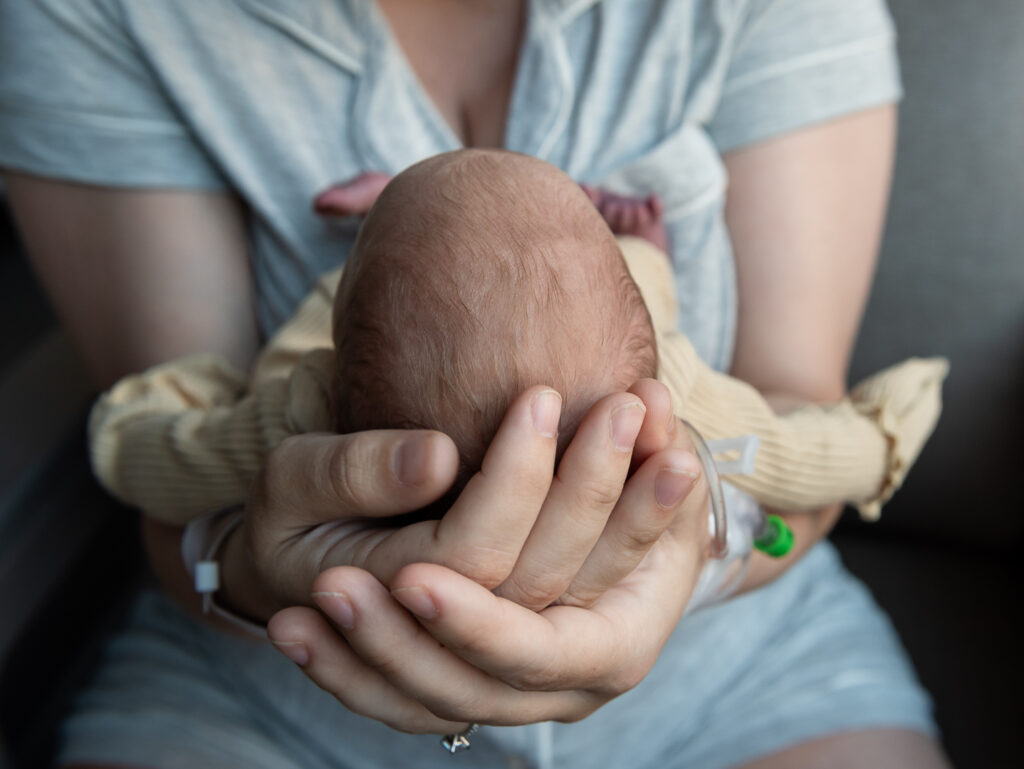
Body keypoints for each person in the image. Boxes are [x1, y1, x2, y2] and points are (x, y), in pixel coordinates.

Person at [0, 1, 952, 767]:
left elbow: (791, 437)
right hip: (265, 700)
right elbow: (178, 486)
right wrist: (249, 570)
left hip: (743, 672)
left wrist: (712, 548)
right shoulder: (101, 15)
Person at [87, 148, 946, 536]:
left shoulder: (305, 414)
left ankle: (405, 219)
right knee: (624, 278)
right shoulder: (669, 405)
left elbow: (163, 454)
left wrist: (134, 419)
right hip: (624, 375)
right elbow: (796, 452)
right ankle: (430, 219)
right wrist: (884, 437)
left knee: (343, 316)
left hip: (349, 367)